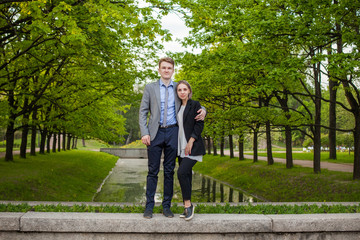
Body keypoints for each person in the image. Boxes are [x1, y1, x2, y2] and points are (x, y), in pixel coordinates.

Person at [139, 57, 206, 219]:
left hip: (173, 133)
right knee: (152, 171)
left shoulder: (178, 87)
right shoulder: (150, 88)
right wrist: (144, 132)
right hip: (155, 133)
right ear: (159, 69)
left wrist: (204, 109)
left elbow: (191, 102)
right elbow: (143, 111)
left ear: (173, 70)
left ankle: (166, 207)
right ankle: (149, 207)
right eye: (164, 67)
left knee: (169, 171)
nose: (166, 70)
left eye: (169, 68)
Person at [176, 80, 206, 221]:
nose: (182, 92)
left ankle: (188, 205)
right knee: (186, 175)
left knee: (181, 172)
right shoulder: (177, 107)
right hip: (180, 147)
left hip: (192, 146)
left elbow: (199, 124)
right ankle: (187, 206)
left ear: (189, 91)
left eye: (184, 89)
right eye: (179, 90)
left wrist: (191, 141)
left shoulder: (195, 105)